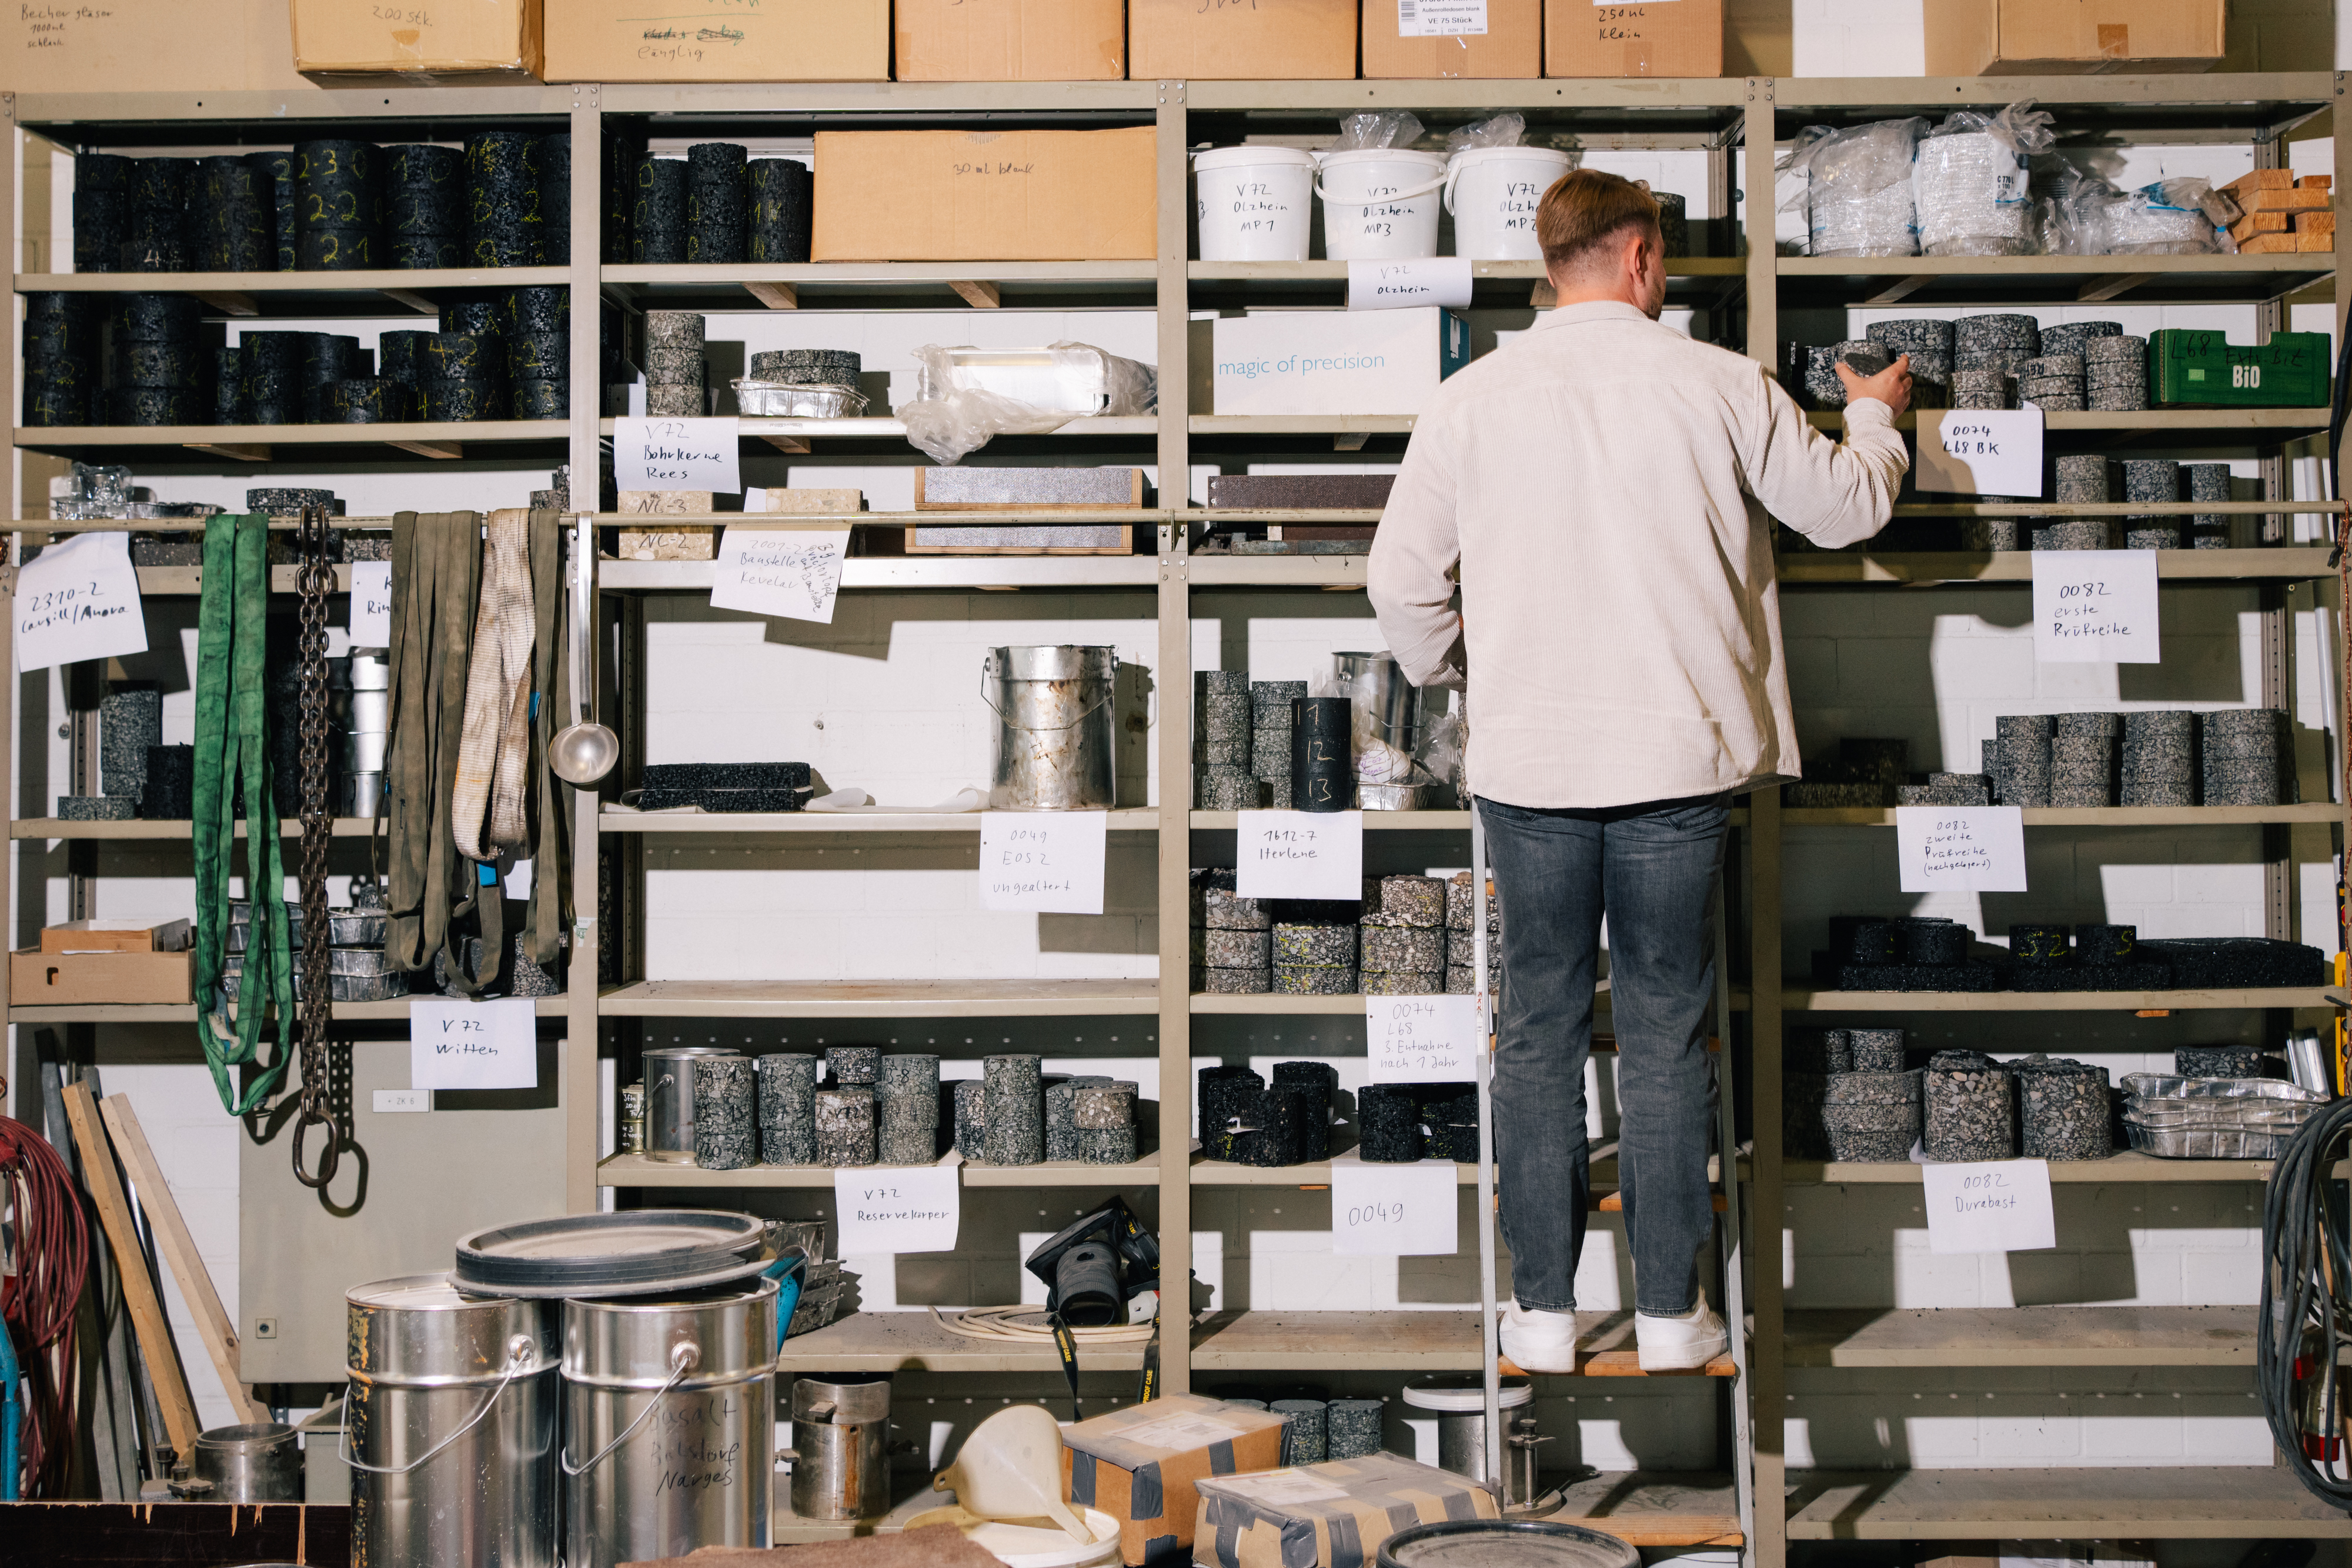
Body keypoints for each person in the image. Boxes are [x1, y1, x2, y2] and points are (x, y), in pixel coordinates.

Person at [1367, 169, 1912, 1372]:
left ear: (1551, 265)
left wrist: (1471, 675)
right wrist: (1873, 412)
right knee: (1667, 1037)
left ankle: (1541, 1316)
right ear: (1641, 258)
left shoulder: (1470, 399)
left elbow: (1398, 590)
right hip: (1676, 761)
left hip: (1531, 767)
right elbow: (1841, 510)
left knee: (1537, 1037)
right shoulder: (1715, 383)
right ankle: (1673, 1315)